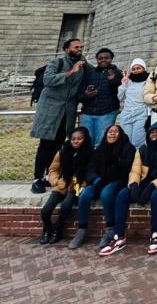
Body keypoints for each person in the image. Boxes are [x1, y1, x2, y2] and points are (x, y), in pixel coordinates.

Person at [99, 122, 157, 256]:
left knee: (156, 197)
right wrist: (134, 185)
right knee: (122, 195)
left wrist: (152, 186)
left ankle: (155, 234)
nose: (154, 135)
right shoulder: (142, 149)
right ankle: (119, 235)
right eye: (152, 132)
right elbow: (135, 170)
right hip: (143, 182)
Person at [31, 38, 87, 194]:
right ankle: (37, 178)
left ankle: (50, 176)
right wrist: (71, 72)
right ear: (67, 49)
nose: (79, 49)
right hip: (51, 111)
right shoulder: (57, 63)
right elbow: (47, 80)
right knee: (45, 145)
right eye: (76, 47)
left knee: (58, 145)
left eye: (81, 47)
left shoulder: (82, 64)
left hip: (67, 112)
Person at [68, 124, 135, 250]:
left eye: (115, 132)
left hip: (117, 180)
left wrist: (116, 161)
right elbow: (90, 168)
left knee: (106, 193)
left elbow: (129, 167)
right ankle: (82, 229)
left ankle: (110, 228)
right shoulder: (100, 149)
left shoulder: (128, 148)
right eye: (110, 131)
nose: (112, 134)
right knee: (86, 194)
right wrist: (96, 180)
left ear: (120, 134)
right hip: (99, 181)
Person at [38, 126, 92, 244]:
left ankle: (58, 229)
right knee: (46, 210)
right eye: (73, 139)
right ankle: (47, 229)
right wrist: (56, 181)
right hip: (62, 184)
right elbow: (52, 169)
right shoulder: (63, 151)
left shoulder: (89, 153)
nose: (75, 141)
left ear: (85, 139)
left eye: (79, 139)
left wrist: (82, 185)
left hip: (76, 186)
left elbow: (89, 173)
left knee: (66, 206)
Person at [80, 48, 121, 147]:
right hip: (87, 113)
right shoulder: (90, 74)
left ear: (111, 59)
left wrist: (113, 80)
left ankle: (99, 162)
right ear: (97, 59)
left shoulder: (117, 73)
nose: (103, 60)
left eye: (106, 58)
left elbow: (121, 90)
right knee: (85, 143)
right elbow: (80, 94)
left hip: (106, 113)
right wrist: (86, 94)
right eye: (100, 58)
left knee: (101, 144)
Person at [118, 59, 151, 149]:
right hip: (127, 114)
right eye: (133, 69)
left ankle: (136, 162)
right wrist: (123, 85)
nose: (136, 70)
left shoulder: (148, 82)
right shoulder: (128, 81)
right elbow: (119, 98)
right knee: (125, 142)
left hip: (141, 115)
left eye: (138, 68)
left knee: (137, 143)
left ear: (143, 68)